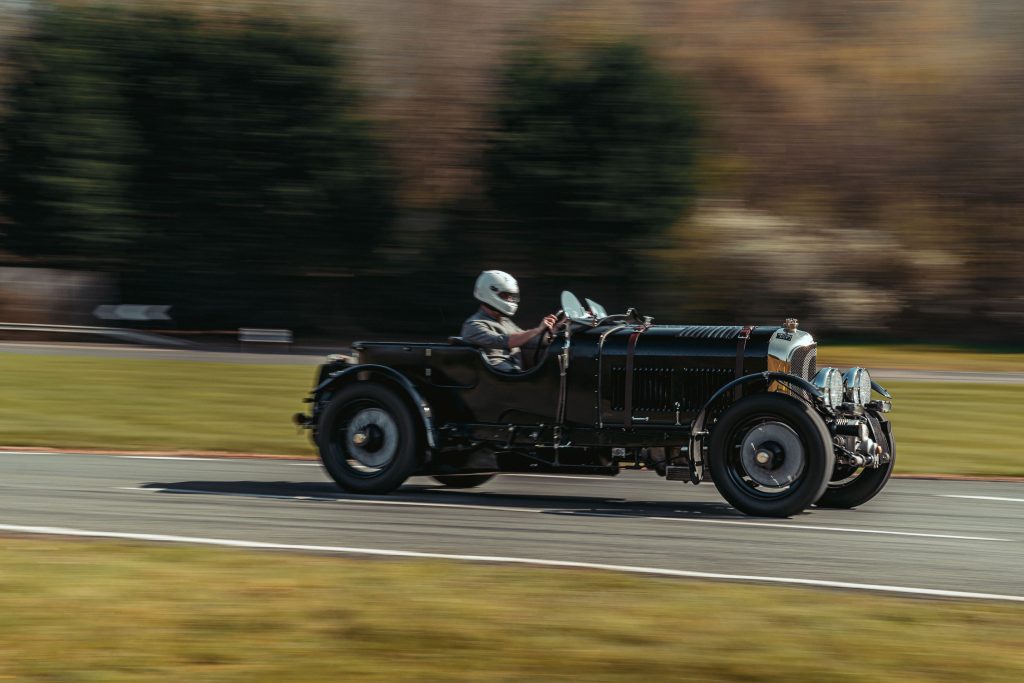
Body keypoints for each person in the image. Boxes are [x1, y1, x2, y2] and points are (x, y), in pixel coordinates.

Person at [461, 270, 558, 372]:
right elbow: (503, 341)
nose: (510, 300)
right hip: (500, 378)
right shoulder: (473, 325)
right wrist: (537, 330)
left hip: (515, 374)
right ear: (489, 292)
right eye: (505, 296)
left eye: (511, 296)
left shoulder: (505, 321)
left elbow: (527, 341)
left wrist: (555, 328)